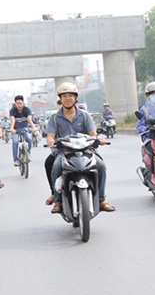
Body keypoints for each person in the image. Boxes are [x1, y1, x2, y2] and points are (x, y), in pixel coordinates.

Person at [45, 82, 114, 213]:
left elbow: (93, 133)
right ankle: (58, 201)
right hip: (64, 152)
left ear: (76, 98)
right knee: (55, 167)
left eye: (71, 95)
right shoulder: (54, 118)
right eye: (64, 96)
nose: (68, 98)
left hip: (86, 151)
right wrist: (50, 141)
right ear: (60, 99)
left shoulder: (84, 115)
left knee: (101, 166)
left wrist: (99, 139)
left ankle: (101, 200)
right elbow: (50, 136)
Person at [7, 95, 37, 166]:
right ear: (15, 104)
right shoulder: (12, 111)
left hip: (24, 128)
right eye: (17, 103)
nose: (19, 105)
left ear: (23, 103)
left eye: (20, 103)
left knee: (29, 139)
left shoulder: (27, 110)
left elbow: (29, 119)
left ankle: (28, 153)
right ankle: (16, 159)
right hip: (15, 129)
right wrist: (11, 128)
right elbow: (13, 120)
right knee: (15, 142)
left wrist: (33, 128)